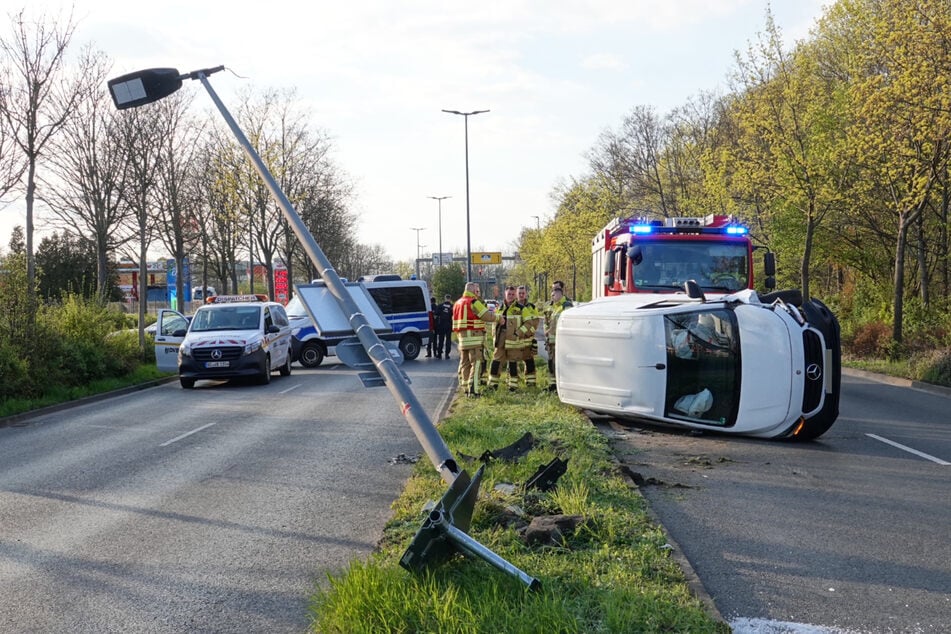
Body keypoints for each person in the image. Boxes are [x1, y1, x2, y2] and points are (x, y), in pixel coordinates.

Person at [452, 282, 498, 396]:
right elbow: (487, 315)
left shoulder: (457, 303)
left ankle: (465, 388)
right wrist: (499, 318)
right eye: (476, 291)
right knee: (476, 364)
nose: (477, 293)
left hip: (462, 340)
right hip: (475, 339)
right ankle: (473, 391)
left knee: (465, 364)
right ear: (472, 291)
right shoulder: (473, 302)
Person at [544, 284, 573, 391]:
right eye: (551, 295)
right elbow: (546, 320)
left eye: (554, 295)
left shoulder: (566, 305)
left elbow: (569, 323)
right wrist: (546, 330)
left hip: (562, 342)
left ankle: (562, 386)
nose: (552, 297)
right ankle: (552, 385)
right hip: (551, 341)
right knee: (551, 364)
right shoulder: (552, 306)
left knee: (560, 364)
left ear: (560, 294)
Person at [516, 285, 539, 388]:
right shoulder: (513, 307)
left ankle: (531, 383)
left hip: (528, 340)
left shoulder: (532, 307)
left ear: (526, 294)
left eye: (523, 293)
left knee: (529, 362)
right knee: (512, 363)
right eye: (519, 293)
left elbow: (535, 323)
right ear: (517, 294)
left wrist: (529, 333)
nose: (521, 295)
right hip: (515, 340)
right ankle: (513, 384)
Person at [434, 294, 454, 359]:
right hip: (449, 324)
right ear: (450, 299)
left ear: (445, 298)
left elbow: (436, 314)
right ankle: (447, 354)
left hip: (441, 325)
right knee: (448, 340)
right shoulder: (452, 306)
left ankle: (439, 354)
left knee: (441, 339)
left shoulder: (440, 306)